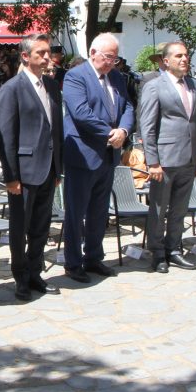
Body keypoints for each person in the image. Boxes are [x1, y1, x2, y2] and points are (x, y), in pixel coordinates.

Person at [0, 33, 63, 301]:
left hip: (48, 169)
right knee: (20, 227)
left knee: (41, 227)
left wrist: (58, 168)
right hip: (23, 173)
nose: (47, 57)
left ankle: (36, 273)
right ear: (25, 56)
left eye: (48, 52)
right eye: (40, 53)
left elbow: (56, 129)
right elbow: (6, 135)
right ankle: (20, 277)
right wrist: (11, 176)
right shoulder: (12, 88)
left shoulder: (52, 86)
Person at [61, 33, 134, 283]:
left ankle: (94, 257)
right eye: (108, 57)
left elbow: (128, 107)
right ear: (93, 53)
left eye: (115, 58)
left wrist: (123, 131)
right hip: (83, 154)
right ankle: (73, 262)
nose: (112, 62)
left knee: (99, 211)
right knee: (76, 212)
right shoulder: (76, 76)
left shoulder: (116, 77)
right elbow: (81, 112)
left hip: (108, 154)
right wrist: (110, 133)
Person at [139, 41, 196, 273]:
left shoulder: (193, 84)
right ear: (166, 61)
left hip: (188, 158)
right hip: (164, 160)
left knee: (179, 209)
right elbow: (147, 126)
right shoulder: (154, 86)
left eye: (186, 55)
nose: (184, 59)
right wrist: (153, 161)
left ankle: (174, 249)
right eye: (178, 56)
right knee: (159, 209)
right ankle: (157, 253)